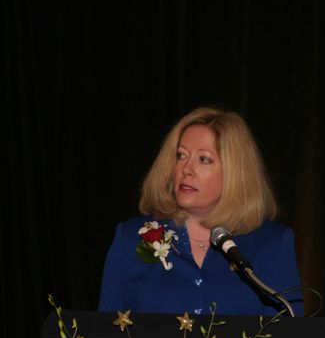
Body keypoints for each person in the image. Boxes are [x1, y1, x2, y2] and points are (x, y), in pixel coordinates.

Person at [98, 107, 303, 316]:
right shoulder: (131, 239)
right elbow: (104, 336)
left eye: (204, 159)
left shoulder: (272, 244)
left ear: (234, 172)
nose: (186, 169)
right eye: (181, 156)